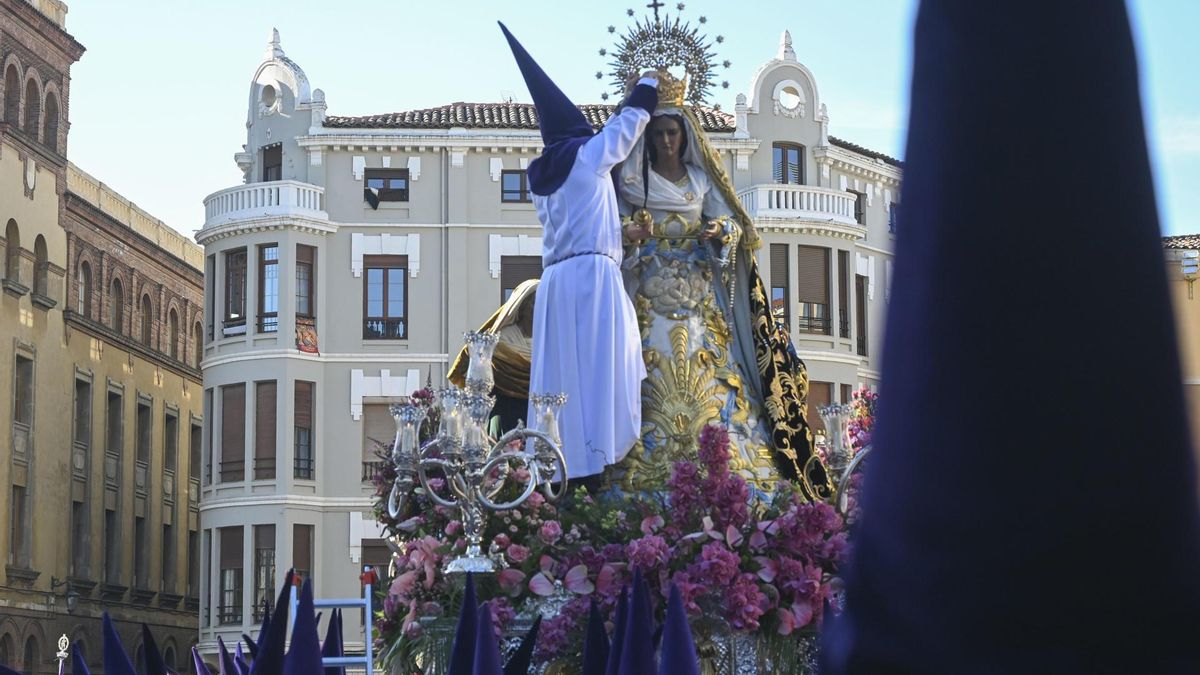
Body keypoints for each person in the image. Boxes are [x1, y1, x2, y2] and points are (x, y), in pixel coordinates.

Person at [613, 73, 829, 498]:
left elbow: (735, 227)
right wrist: (630, 234)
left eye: (673, 133)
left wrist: (720, 231)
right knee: (644, 367)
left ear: (684, 134)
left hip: (696, 294)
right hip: (648, 291)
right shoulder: (633, 182)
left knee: (711, 369)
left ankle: (727, 462)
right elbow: (612, 230)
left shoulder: (700, 180)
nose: (667, 142)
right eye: (658, 134)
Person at [499, 23, 659, 483]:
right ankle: (602, 458)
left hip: (556, 284)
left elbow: (578, 223)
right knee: (606, 372)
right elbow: (629, 126)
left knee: (562, 381)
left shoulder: (542, 183)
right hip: (593, 281)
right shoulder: (587, 155)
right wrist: (647, 83)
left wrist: (620, 233)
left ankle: (563, 465)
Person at [447, 279, 538, 433]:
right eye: (534, 303)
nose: (538, 309)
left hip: (537, 413)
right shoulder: (501, 340)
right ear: (521, 307)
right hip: (505, 411)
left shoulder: (549, 342)